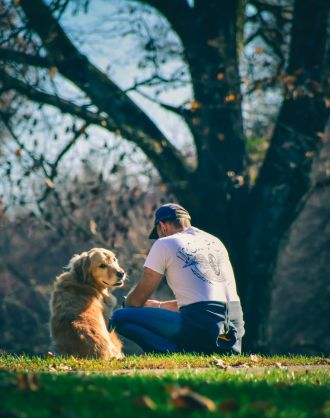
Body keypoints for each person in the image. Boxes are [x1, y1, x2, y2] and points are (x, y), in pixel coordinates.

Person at [111, 203, 245, 354]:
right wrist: (158, 306)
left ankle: (176, 353)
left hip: (202, 327)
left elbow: (135, 302)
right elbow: (205, 303)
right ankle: (197, 350)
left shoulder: (164, 243)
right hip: (233, 334)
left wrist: (125, 303)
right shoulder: (216, 242)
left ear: (163, 227)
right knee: (195, 319)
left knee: (120, 317)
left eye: (158, 233)